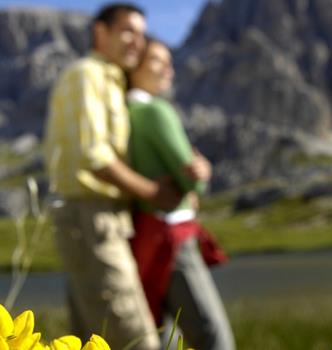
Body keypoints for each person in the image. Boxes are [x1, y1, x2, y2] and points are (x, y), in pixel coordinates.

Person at [44, 4, 182, 349]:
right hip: (92, 215)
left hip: (102, 218)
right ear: (99, 32)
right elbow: (95, 156)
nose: (137, 41)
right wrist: (153, 192)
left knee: (92, 334)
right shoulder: (87, 74)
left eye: (140, 33)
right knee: (134, 336)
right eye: (127, 31)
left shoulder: (113, 79)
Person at [127, 37, 236, 350]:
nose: (168, 70)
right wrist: (203, 173)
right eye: (158, 61)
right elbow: (193, 181)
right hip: (171, 235)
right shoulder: (155, 112)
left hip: (142, 234)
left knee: (160, 336)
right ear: (135, 65)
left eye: (169, 62)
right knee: (213, 336)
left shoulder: (123, 111)